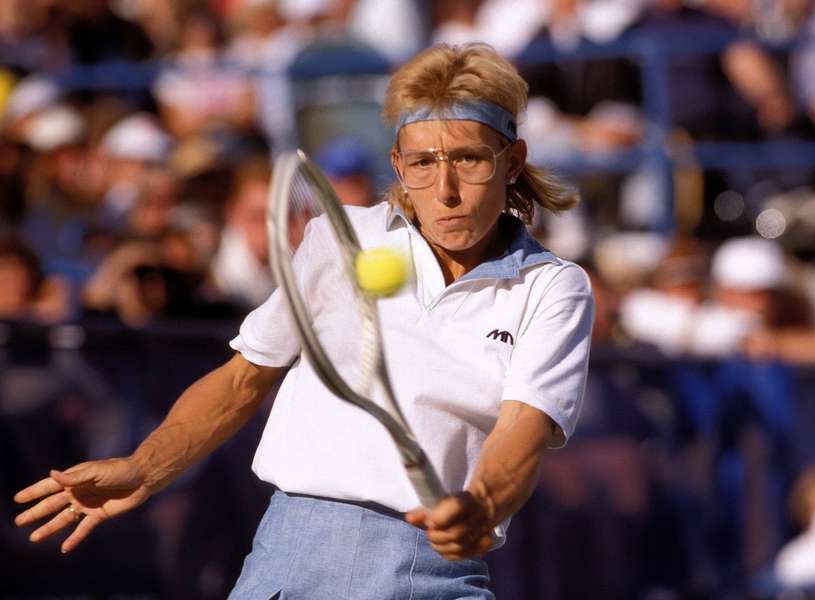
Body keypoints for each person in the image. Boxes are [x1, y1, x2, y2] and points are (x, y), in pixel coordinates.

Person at [13, 43, 594, 598]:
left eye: (467, 159)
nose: (443, 190)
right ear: (397, 162)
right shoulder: (340, 239)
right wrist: (145, 467)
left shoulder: (554, 286)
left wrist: (481, 505)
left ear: (511, 161)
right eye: (422, 162)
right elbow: (243, 379)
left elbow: (522, 430)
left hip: (436, 575)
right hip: (285, 562)